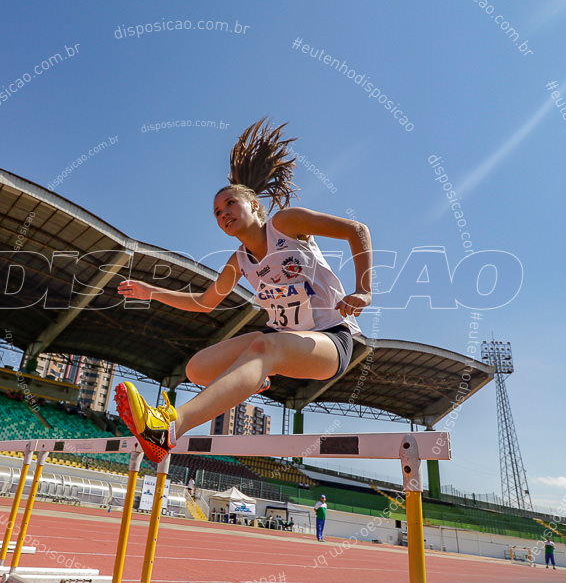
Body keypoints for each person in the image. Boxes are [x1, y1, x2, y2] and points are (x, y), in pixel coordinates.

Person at [114, 119, 372, 462]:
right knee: (198, 369)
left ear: (254, 205)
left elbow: (357, 230)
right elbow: (206, 302)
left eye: (230, 204)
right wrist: (152, 292)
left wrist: (364, 290)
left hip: (329, 340)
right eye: (218, 213)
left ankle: (170, 427)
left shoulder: (286, 224)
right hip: (283, 338)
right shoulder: (239, 260)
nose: (223, 214)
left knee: (263, 344)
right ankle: (257, 377)